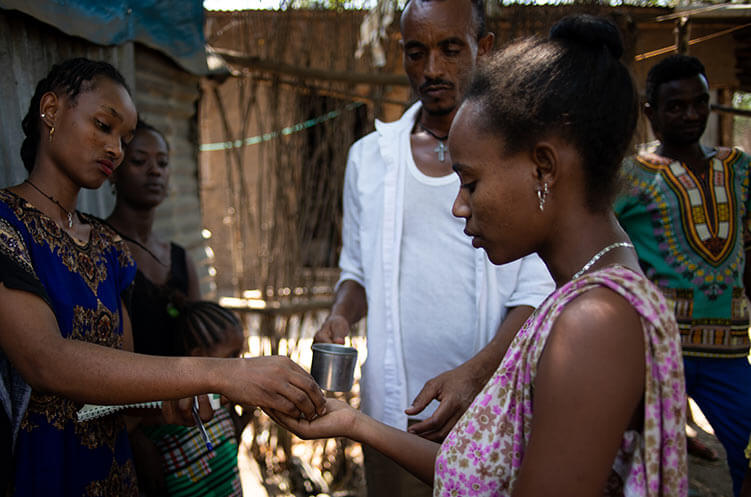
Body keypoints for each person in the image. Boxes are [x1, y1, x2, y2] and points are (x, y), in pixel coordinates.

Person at [275, 15, 687, 496]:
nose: (458, 205)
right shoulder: (586, 295)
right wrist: (355, 423)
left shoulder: (593, 322)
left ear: (544, 168)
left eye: (470, 182)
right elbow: (492, 477)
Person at [0, 57, 325, 496]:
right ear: (51, 110)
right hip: (31, 476)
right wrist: (220, 373)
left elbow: (119, 393)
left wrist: (168, 403)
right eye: (104, 126)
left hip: (111, 475)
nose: (116, 149)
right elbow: (45, 361)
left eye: (124, 139)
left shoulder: (109, 249)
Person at [314, 0, 553, 494]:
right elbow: (356, 270)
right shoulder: (371, 158)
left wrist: (475, 375)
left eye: (450, 49)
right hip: (392, 415)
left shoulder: (517, 157)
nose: (432, 70)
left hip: (491, 409)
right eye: (417, 53)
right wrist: (341, 313)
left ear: (483, 49)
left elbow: (535, 292)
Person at [613, 53, 751, 496]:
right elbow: (601, 244)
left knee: (745, 447)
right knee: (642, 458)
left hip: (729, 348)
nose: (691, 114)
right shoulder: (631, 176)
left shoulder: (739, 169)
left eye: (699, 102)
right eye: (676, 106)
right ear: (650, 112)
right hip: (657, 346)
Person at [106, 120, 202, 356]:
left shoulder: (180, 259)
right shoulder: (98, 249)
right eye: (139, 161)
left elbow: (200, 342)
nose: (155, 171)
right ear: (113, 171)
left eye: (163, 163)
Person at [139, 299, 251, 497]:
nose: (238, 364)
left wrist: (246, 415)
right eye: (231, 356)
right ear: (198, 355)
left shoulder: (223, 401)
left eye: (240, 354)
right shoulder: (172, 410)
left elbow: (230, 447)